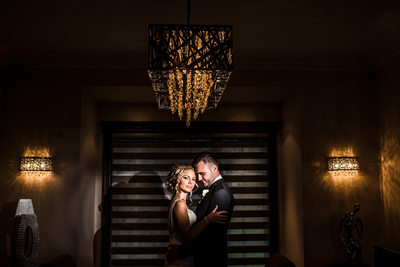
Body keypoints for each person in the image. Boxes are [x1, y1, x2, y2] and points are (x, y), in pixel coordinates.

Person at [169, 152, 235, 267]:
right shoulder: (213, 190)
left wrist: (181, 252)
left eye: (201, 174)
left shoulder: (221, 193)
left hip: (211, 260)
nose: (198, 179)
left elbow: (212, 236)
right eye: (197, 175)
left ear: (214, 168)